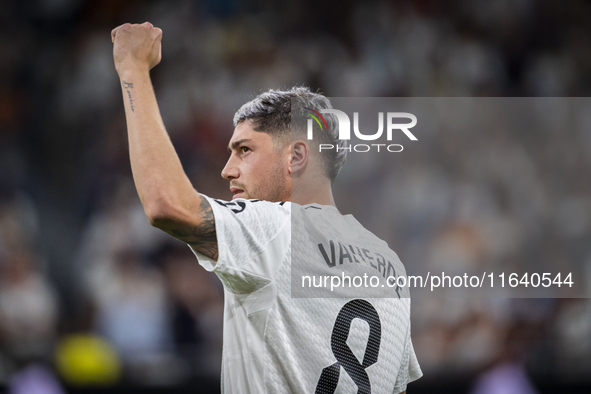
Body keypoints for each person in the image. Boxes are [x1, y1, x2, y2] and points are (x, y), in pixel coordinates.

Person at [111, 22, 422, 393]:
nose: (227, 170)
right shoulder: (389, 263)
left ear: (296, 157)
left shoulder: (275, 227)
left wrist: (132, 67)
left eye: (244, 150)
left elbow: (165, 204)